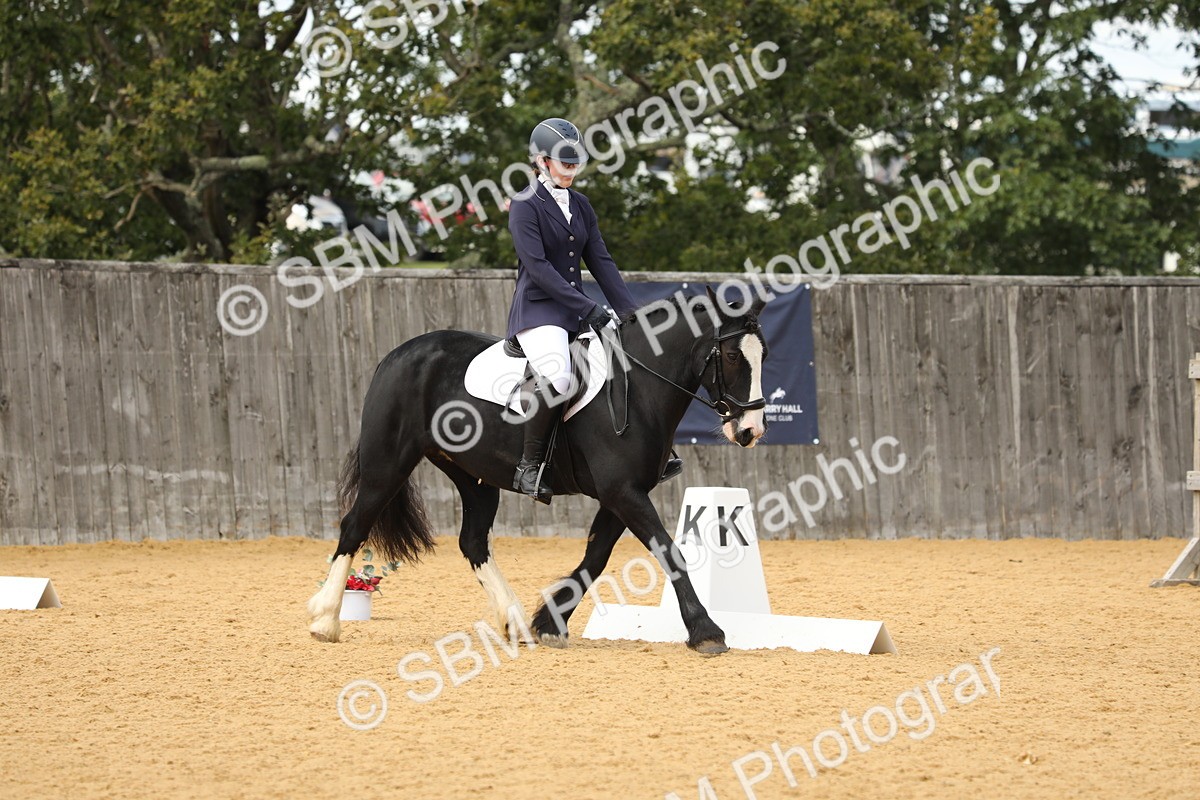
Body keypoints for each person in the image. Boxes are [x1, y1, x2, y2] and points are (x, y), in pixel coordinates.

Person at [506, 117, 682, 503]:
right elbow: (538, 268)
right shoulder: (524, 205)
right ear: (541, 161)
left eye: (576, 163)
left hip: (577, 311)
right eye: (564, 163)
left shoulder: (581, 205)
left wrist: (629, 313)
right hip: (539, 314)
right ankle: (530, 466)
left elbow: (600, 260)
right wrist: (588, 308)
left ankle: (656, 452)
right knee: (561, 376)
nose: (571, 170)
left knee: (627, 358)